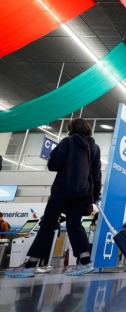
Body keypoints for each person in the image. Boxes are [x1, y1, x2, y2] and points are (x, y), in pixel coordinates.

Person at [6, 118, 101, 278]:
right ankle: (85, 261)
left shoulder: (67, 142)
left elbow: (53, 165)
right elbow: (96, 174)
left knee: (47, 224)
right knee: (74, 224)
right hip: (84, 193)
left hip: (63, 190)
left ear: (71, 128)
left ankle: (30, 265)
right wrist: (95, 195)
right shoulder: (94, 147)